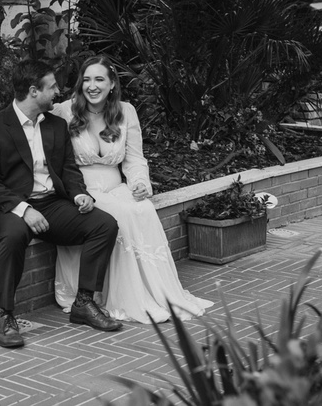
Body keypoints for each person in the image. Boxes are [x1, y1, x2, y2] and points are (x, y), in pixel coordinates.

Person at [0, 59, 123, 348]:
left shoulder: (56, 124)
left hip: (52, 204)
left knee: (104, 225)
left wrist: (79, 194)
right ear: (33, 91)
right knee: (14, 234)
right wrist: (24, 210)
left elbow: (68, 169)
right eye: (52, 87)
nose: (58, 91)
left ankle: (84, 302)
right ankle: (5, 316)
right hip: (9, 208)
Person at [50, 56, 213, 323]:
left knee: (143, 207)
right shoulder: (66, 112)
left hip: (117, 186)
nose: (92, 86)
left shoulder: (126, 112)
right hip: (82, 190)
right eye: (87, 80)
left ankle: (156, 293)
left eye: (99, 79)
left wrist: (139, 183)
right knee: (123, 215)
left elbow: (135, 158)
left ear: (112, 84)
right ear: (80, 84)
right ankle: (121, 298)